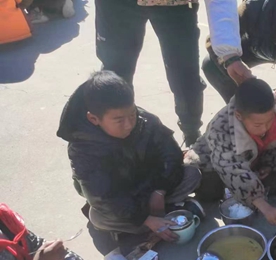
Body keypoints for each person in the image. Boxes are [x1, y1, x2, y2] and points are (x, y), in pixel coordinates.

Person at [57, 71, 201, 243]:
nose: (129, 125)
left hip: (150, 185)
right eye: (119, 120)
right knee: (98, 217)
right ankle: (164, 215)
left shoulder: (145, 120)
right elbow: (102, 198)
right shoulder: (82, 148)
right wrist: (145, 219)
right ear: (94, 119)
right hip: (122, 197)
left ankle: (155, 218)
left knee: (192, 173)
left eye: (132, 114)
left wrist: (159, 190)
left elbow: (172, 155)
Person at [94, 0, 253, 146]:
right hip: (116, 4)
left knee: (185, 77)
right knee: (115, 76)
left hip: (175, 5)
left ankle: (191, 135)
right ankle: (115, 141)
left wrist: (228, 53)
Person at [189, 78, 276, 225]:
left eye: (269, 121)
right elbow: (229, 167)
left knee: (274, 180)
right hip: (212, 164)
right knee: (210, 188)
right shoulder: (220, 128)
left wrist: (270, 165)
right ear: (239, 116)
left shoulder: (273, 108)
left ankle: (248, 186)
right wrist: (264, 206)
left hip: (252, 160)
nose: (264, 129)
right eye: (258, 125)